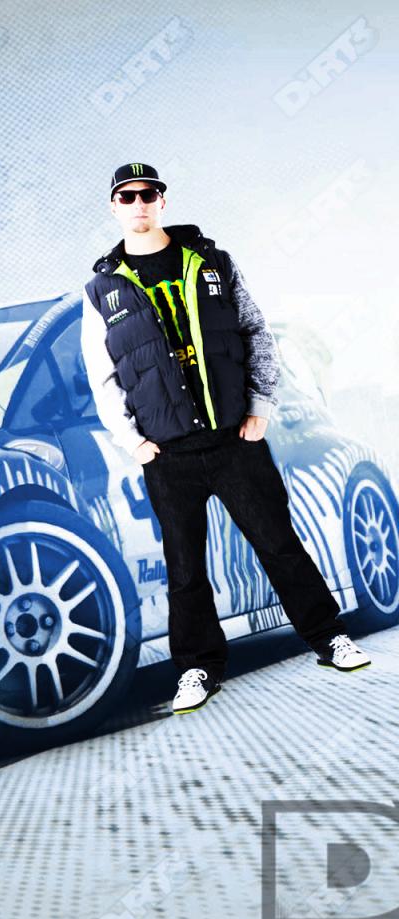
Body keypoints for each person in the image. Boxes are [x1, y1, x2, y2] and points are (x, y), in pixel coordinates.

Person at [80, 161, 371, 714]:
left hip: (235, 439)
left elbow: (256, 332)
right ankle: (197, 669)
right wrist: (132, 441)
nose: (139, 204)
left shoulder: (213, 262)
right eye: (127, 196)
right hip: (167, 454)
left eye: (148, 194)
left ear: (163, 200)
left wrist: (260, 407)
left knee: (279, 544)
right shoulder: (101, 290)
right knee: (185, 569)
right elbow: (103, 375)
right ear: (113, 207)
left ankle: (330, 638)